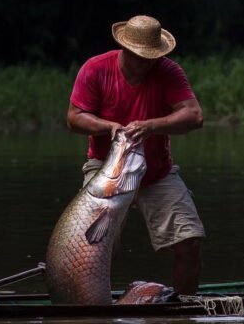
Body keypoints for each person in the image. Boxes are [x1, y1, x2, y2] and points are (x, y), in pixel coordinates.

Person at [66, 15, 205, 295]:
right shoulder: (96, 68)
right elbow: (74, 118)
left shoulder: (168, 71)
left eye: (151, 57)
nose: (146, 63)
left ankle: (185, 307)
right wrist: (109, 127)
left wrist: (152, 125)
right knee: (91, 247)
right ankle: (87, 305)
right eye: (140, 57)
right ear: (125, 49)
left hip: (155, 172)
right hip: (105, 170)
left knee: (190, 241)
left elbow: (194, 115)